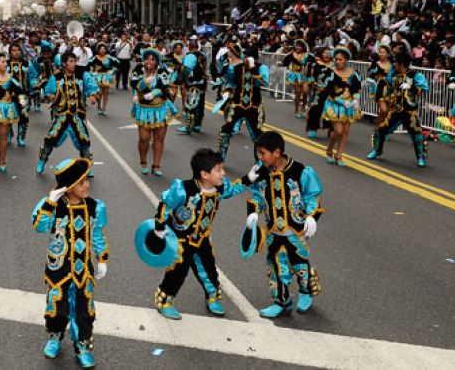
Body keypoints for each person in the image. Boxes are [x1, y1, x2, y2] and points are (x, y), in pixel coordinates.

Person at [149, 148, 248, 319]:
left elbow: (233, 190)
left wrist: (249, 178)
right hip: (180, 240)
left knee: (208, 269)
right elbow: (165, 204)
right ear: (204, 174)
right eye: (219, 170)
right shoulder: (183, 189)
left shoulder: (219, 188)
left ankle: (212, 296)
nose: (223, 173)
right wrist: (159, 228)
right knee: (177, 272)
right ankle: (164, 300)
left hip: (202, 238)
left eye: (222, 169)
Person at [31, 157, 108, 369]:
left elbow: (98, 235)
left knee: (85, 310)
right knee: (57, 308)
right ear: (69, 186)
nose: (87, 185)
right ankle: (55, 336)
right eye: (81, 182)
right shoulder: (54, 205)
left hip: (84, 270)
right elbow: (39, 226)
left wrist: (102, 259)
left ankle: (82, 345)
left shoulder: (94, 207)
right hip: (59, 270)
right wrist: (50, 202)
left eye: (86, 180)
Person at [239, 131, 323, 319]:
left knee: (300, 264)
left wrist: (311, 216)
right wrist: (253, 212)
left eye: (263, 153)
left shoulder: (300, 171)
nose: (259, 157)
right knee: (277, 267)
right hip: (273, 231)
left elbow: (312, 196)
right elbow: (257, 197)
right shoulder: (261, 174)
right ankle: (282, 302)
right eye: (258, 153)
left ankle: (305, 292)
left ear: (276, 152)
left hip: (296, 230)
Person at [36, 52, 99, 175]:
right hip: (62, 115)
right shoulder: (57, 77)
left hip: (78, 115)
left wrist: (93, 95)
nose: (73, 64)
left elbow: (92, 86)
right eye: (70, 61)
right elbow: (48, 91)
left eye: (74, 61)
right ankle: (42, 161)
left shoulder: (82, 74)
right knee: (50, 139)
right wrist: (51, 97)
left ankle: (87, 167)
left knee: (84, 141)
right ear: (64, 63)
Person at [367, 53, 430, 168]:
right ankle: (377, 150)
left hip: (409, 111)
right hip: (395, 110)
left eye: (395, 62)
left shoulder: (415, 75)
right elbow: (387, 86)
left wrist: (411, 87)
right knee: (381, 129)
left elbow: (425, 88)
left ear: (401, 63)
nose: (393, 65)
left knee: (417, 134)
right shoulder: (393, 75)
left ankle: (421, 157)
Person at [214, 42, 268, 162]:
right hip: (237, 105)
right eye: (245, 56)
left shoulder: (261, 68)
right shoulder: (236, 67)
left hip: (254, 106)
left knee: (257, 135)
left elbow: (264, 82)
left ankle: (260, 162)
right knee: (225, 132)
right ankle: (220, 158)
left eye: (249, 56)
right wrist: (222, 62)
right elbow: (228, 79)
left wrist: (253, 70)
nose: (246, 59)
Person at [130, 48, 179, 176]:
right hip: (144, 109)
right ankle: (143, 162)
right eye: (147, 59)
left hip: (160, 108)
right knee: (144, 138)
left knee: (159, 138)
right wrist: (144, 83)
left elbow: (164, 87)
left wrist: (154, 93)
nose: (149, 61)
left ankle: (156, 165)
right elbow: (133, 83)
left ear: (157, 62)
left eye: (152, 59)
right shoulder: (138, 70)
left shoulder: (162, 71)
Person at [320, 47, 361, 167]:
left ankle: (339, 155)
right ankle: (329, 149)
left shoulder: (353, 73)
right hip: (335, 104)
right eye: (336, 59)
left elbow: (356, 88)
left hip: (349, 105)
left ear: (346, 60)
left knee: (346, 131)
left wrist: (356, 100)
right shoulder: (330, 72)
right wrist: (342, 101)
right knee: (338, 130)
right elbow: (329, 91)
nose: (337, 62)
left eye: (340, 60)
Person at [177, 38, 208, 134]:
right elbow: (205, 68)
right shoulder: (203, 55)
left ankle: (188, 127)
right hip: (202, 82)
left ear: (189, 46)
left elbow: (186, 69)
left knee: (191, 105)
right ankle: (197, 125)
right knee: (200, 104)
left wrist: (180, 69)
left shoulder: (190, 56)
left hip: (193, 84)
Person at [7, 43, 33, 147]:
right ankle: (9, 133)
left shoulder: (27, 64)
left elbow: (32, 77)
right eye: (13, 50)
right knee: (8, 115)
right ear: (10, 52)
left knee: (23, 116)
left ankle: (21, 136)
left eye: (18, 50)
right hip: (8, 94)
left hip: (23, 94)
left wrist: (33, 90)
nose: (16, 52)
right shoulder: (5, 64)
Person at [281, 40, 314, 118]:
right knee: (298, 93)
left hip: (305, 76)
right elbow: (285, 61)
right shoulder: (292, 55)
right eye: (297, 46)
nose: (298, 47)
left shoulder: (308, 55)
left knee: (305, 92)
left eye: (300, 46)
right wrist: (281, 63)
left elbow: (315, 61)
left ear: (303, 47)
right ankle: (296, 109)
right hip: (295, 75)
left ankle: (303, 108)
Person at [304, 47, 332, 139]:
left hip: (332, 93)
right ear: (320, 54)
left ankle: (331, 129)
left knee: (332, 111)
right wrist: (311, 84)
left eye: (329, 53)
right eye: (325, 53)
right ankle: (313, 128)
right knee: (315, 110)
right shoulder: (315, 65)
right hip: (319, 92)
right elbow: (310, 77)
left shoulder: (334, 66)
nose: (327, 54)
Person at [88, 42, 118, 115]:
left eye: (104, 49)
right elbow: (88, 64)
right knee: (100, 93)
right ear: (98, 50)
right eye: (101, 49)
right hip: (98, 77)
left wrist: (113, 71)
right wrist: (92, 72)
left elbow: (118, 63)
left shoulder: (109, 57)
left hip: (107, 76)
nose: (102, 50)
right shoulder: (95, 57)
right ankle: (98, 107)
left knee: (106, 93)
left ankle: (104, 107)